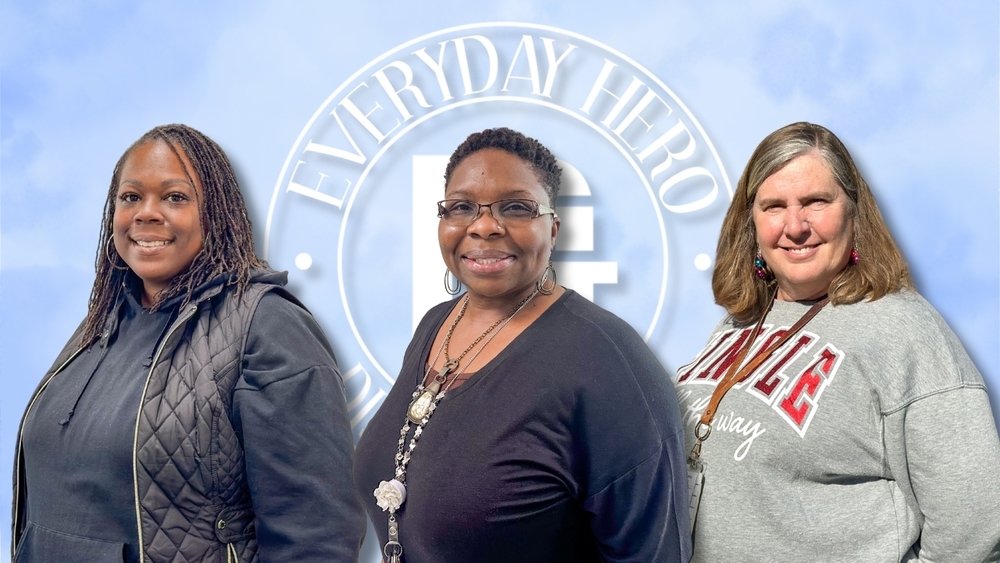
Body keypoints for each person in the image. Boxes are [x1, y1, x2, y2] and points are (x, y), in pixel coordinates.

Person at [11, 124, 366, 562]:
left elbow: (317, 536)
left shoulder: (268, 326)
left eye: (175, 197)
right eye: (131, 197)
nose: (146, 213)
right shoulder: (102, 321)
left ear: (216, 213)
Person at [353, 127, 691, 562]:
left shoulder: (608, 360)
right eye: (461, 207)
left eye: (515, 208)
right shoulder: (436, 324)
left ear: (553, 228)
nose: (485, 226)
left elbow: (654, 552)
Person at [676, 122, 1000, 562]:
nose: (795, 226)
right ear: (750, 222)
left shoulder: (903, 329)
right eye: (774, 206)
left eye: (815, 202)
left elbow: (977, 527)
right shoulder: (740, 322)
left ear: (853, 211)